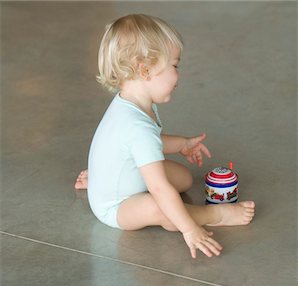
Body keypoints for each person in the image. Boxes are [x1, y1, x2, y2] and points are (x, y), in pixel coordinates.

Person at [75, 14, 255, 259]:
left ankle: (102, 179)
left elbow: (141, 145)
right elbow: (159, 188)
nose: (178, 75)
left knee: (183, 179)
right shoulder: (136, 125)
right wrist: (190, 229)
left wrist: (182, 144)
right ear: (145, 70)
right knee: (161, 207)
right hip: (115, 207)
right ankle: (216, 215)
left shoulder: (131, 102)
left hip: (124, 176)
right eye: (174, 66)